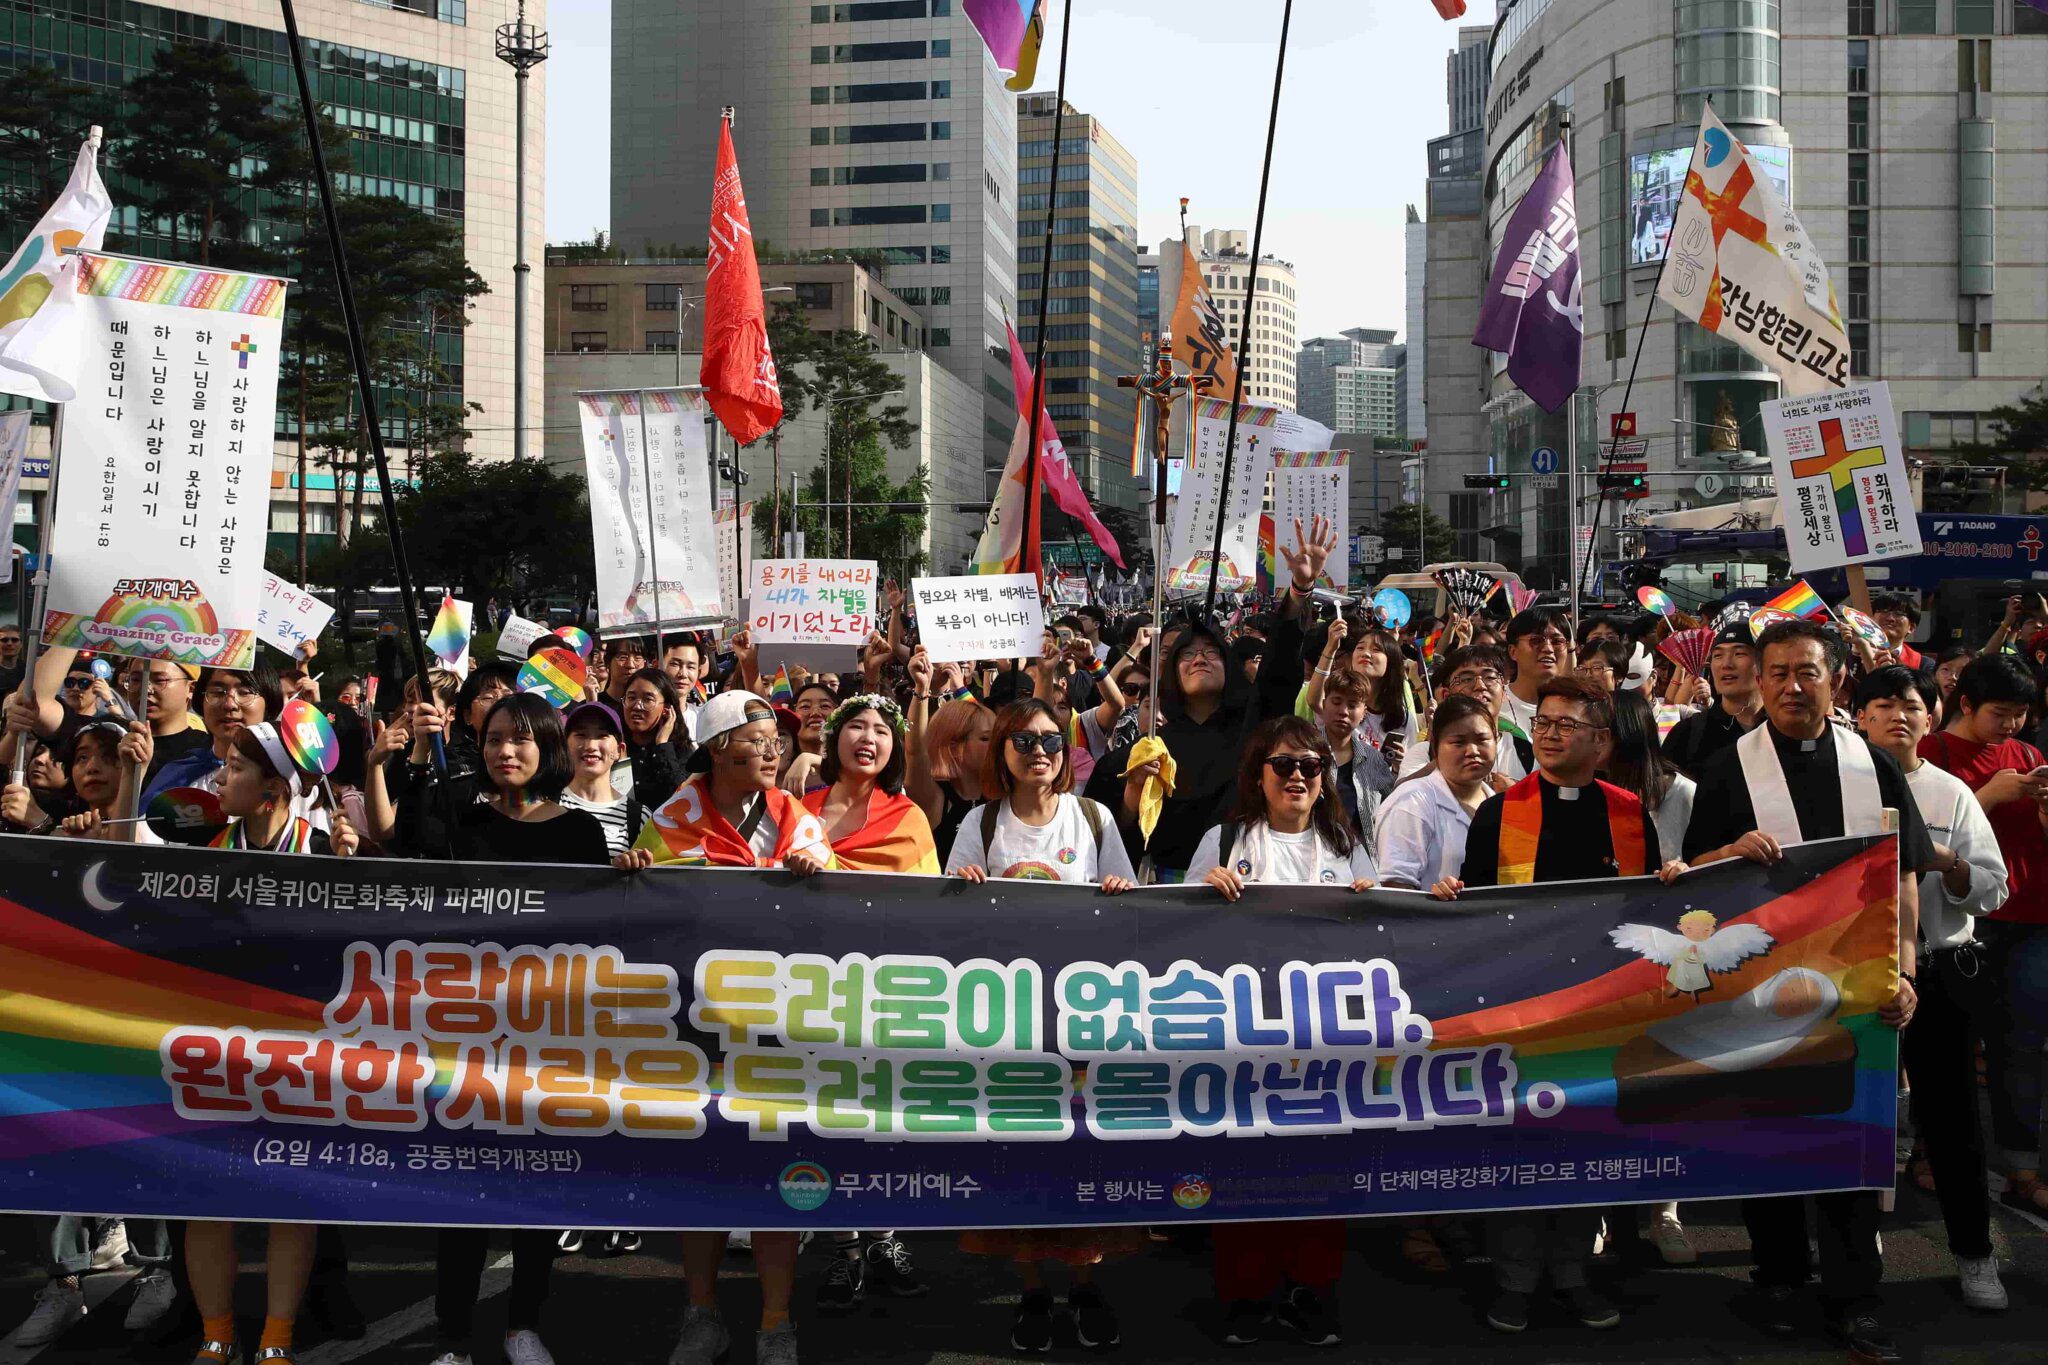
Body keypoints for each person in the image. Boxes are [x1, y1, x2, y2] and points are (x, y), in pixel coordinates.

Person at [1681, 619, 1931, 1364]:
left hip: (1860, 987)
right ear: (1759, 681)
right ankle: (1780, 1278)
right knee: (1769, 1137)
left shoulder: (1872, 763)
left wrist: (1906, 970)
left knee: (1852, 1140)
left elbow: (1905, 875)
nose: (1793, 686)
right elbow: (1691, 875)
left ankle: (1855, 1297)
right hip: (1762, 987)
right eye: (1779, 672)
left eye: (1808, 672)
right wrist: (1728, 852)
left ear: (1837, 679)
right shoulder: (1729, 767)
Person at [1436, 677, 1661, 1335]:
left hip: (1602, 1006)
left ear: (1601, 741)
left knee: (1585, 1139)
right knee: (1522, 1141)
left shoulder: (1629, 814)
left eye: (1568, 724)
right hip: (1521, 1004)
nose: (1551, 734)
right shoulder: (1500, 813)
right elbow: (1478, 912)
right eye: (1544, 723)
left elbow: (1648, 908)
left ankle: (1572, 1271)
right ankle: (1514, 1278)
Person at [617, 690, 827, 1365]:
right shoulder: (669, 821)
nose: (772, 751)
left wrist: (818, 877)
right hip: (697, 1028)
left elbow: (841, 915)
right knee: (703, 1176)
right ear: (716, 749)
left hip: (780, 1027)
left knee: (775, 1175)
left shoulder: (798, 819)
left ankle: (775, 1322)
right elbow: (641, 920)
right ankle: (702, 1316)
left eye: (776, 742)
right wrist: (635, 874)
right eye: (757, 739)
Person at [1178, 716, 1372, 1347]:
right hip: (1243, 1035)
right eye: (1283, 765)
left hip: (1325, 1038)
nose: (1297, 776)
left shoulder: (1345, 844)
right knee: (1244, 1162)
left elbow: (1380, 930)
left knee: (1320, 1165)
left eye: (1310, 766)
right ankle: (1246, 1293)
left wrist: (1371, 897)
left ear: (1324, 777)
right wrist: (1203, 889)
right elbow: (1178, 931)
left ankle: (1312, 1289)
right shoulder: (1225, 839)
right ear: (1258, 774)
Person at [431, 692, 608, 1365]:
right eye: (495, 738)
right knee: (462, 1190)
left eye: (523, 738)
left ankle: (523, 1324)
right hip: (464, 1029)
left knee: (535, 1183)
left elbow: (597, 929)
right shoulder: (457, 819)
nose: (506, 751)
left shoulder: (581, 832)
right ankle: (452, 1336)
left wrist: (627, 878)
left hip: (545, 1031)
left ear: (549, 749)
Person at [180, 721, 358, 1365]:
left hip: (299, 1049)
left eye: (234, 768)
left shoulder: (326, 846)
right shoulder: (204, 847)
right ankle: (216, 1334)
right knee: (207, 1199)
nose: (219, 779)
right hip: (215, 1046)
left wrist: (352, 874)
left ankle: (277, 1339)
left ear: (273, 791)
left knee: (290, 1196)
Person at [1857, 664, 2009, 1310]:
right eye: (1884, 704)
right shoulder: (1838, 784)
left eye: (1912, 705)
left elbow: (1995, 888)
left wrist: (1947, 864)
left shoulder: (1952, 793)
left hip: (1939, 971)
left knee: (1951, 1120)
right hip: (1853, 974)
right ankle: (1853, 1246)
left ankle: (1975, 1253)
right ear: (1858, 715)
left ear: (1932, 716)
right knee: (1853, 1115)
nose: (1899, 715)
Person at [800, 693, 936, 1309]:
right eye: (856, 725)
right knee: (824, 1115)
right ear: (834, 738)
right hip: (807, 985)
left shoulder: (908, 817)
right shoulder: (796, 810)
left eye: (882, 729)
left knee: (877, 1114)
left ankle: (883, 1235)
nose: (868, 738)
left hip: (880, 987)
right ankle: (844, 1246)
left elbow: (921, 906)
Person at [1916, 654, 2048, 1224]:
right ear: (1966, 704)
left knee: (2021, 1045)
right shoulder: (1932, 755)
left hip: (2032, 914)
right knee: (1951, 1044)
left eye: (2021, 714)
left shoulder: (2030, 756)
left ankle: (2023, 1169)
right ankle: (1928, 1153)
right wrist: (1989, 794)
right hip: (1966, 923)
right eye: (2001, 713)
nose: (2012, 725)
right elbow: (1927, 841)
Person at [949, 699, 1136, 892]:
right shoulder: (979, 822)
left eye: (1051, 740)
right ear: (1000, 750)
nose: (1039, 750)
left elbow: (1126, 901)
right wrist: (964, 885)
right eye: (1024, 741)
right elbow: (954, 902)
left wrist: (1119, 888)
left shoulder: (1095, 816)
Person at [1375, 694, 1496, 890]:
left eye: (1482, 739)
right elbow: (1396, 887)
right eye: (1458, 742)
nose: (1472, 751)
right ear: (1435, 746)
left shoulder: (1501, 804)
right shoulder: (1411, 801)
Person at [140, 663, 285, 808]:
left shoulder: (287, 778)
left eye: (245, 692)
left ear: (269, 703)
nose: (229, 704)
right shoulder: (178, 774)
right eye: (218, 692)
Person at [907, 671, 994, 866]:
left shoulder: (1005, 794)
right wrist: (921, 689)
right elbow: (915, 753)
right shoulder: (936, 798)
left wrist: (1045, 674)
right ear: (954, 746)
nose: (997, 745)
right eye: (986, 738)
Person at [1660, 622, 1763, 774]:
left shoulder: (1784, 728)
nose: (1726, 664)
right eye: (1718, 655)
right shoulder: (1687, 734)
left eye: (1739, 654)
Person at [555, 699, 642, 856]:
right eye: (581, 735)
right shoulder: (544, 804)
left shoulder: (639, 817)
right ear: (565, 745)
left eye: (602, 736)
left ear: (619, 750)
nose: (590, 746)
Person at [125, 659, 210, 781]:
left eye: (159, 680)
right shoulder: (113, 741)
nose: (145, 689)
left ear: (191, 689)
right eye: (135, 680)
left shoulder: (206, 753)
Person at [617, 665, 689, 806]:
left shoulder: (681, 751)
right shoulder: (613, 746)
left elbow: (683, 798)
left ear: (666, 709)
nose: (637, 706)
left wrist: (662, 744)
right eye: (631, 698)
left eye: (647, 700)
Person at [1499, 606, 1571, 742]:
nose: (1548, 649)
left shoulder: (1577, 708)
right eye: (1536, 641)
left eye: (1557, 642)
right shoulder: (1494, 705)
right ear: (1513, 651)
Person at [1869, 594, 1928, 672]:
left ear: (1911, 627)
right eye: (1884, 611)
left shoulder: (1923, 664)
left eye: (1899, 613)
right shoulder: (1856, 652)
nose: (1890, 618)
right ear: (1871, 619)